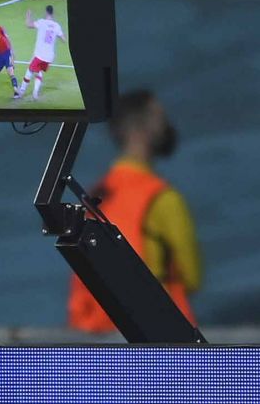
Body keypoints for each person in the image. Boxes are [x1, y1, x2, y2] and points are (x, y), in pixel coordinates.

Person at [68, 90, 202, 333]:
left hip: (98, 336)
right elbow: (192, 277)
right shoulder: (162, 198)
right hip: (158, 337)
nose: (166, 126)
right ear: (141, 130)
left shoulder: (93, 198)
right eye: (159, 118)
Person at [19, 5, 67, 100]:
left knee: (30, 71)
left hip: (39, 54)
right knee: (39, 71)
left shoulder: (42, 22)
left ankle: (21, 91)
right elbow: (64, 39)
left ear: (46, 12)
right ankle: (35, 93)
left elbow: (28, 25)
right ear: (52, 13)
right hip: (49, 57)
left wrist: (28, 16)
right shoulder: (57, 26)